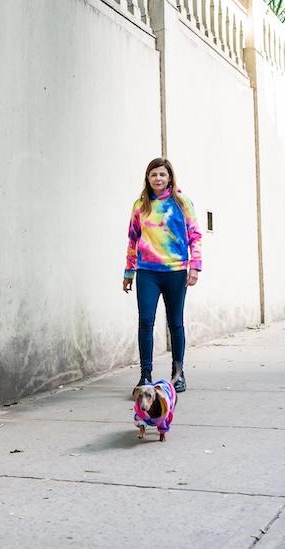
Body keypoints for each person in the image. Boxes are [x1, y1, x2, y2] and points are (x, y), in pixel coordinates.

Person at [121, 157, 202, 393]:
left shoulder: (182, 202)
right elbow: (133, 239)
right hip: (147, 272)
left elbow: (195, 235)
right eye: (153, 174)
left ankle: (178, 374)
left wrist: (194, 266)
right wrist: (128, 270)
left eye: (162, 175)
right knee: (145, 322)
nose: (158, 178)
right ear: (148, 178)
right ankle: (145, 376)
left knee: (175, 323)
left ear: (169, 178)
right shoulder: (140, 205)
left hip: (176, 271)